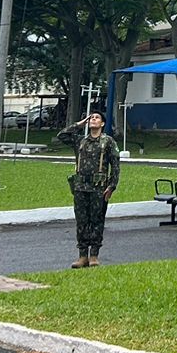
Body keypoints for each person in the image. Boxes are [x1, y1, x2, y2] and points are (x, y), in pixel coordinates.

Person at [56, 110, 122, 268]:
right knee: (81, 221)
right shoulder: (80, 141)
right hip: (80, 187)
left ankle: (94, 255)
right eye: (91, 117)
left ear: (103, 123)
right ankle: (82, 256)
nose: (93, 119)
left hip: (99, 188)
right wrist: (79, 124)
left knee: (97, 221)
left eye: (96, 117)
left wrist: (112, 186)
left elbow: (116, 165)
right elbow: (62, 135)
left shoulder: (108, 142)